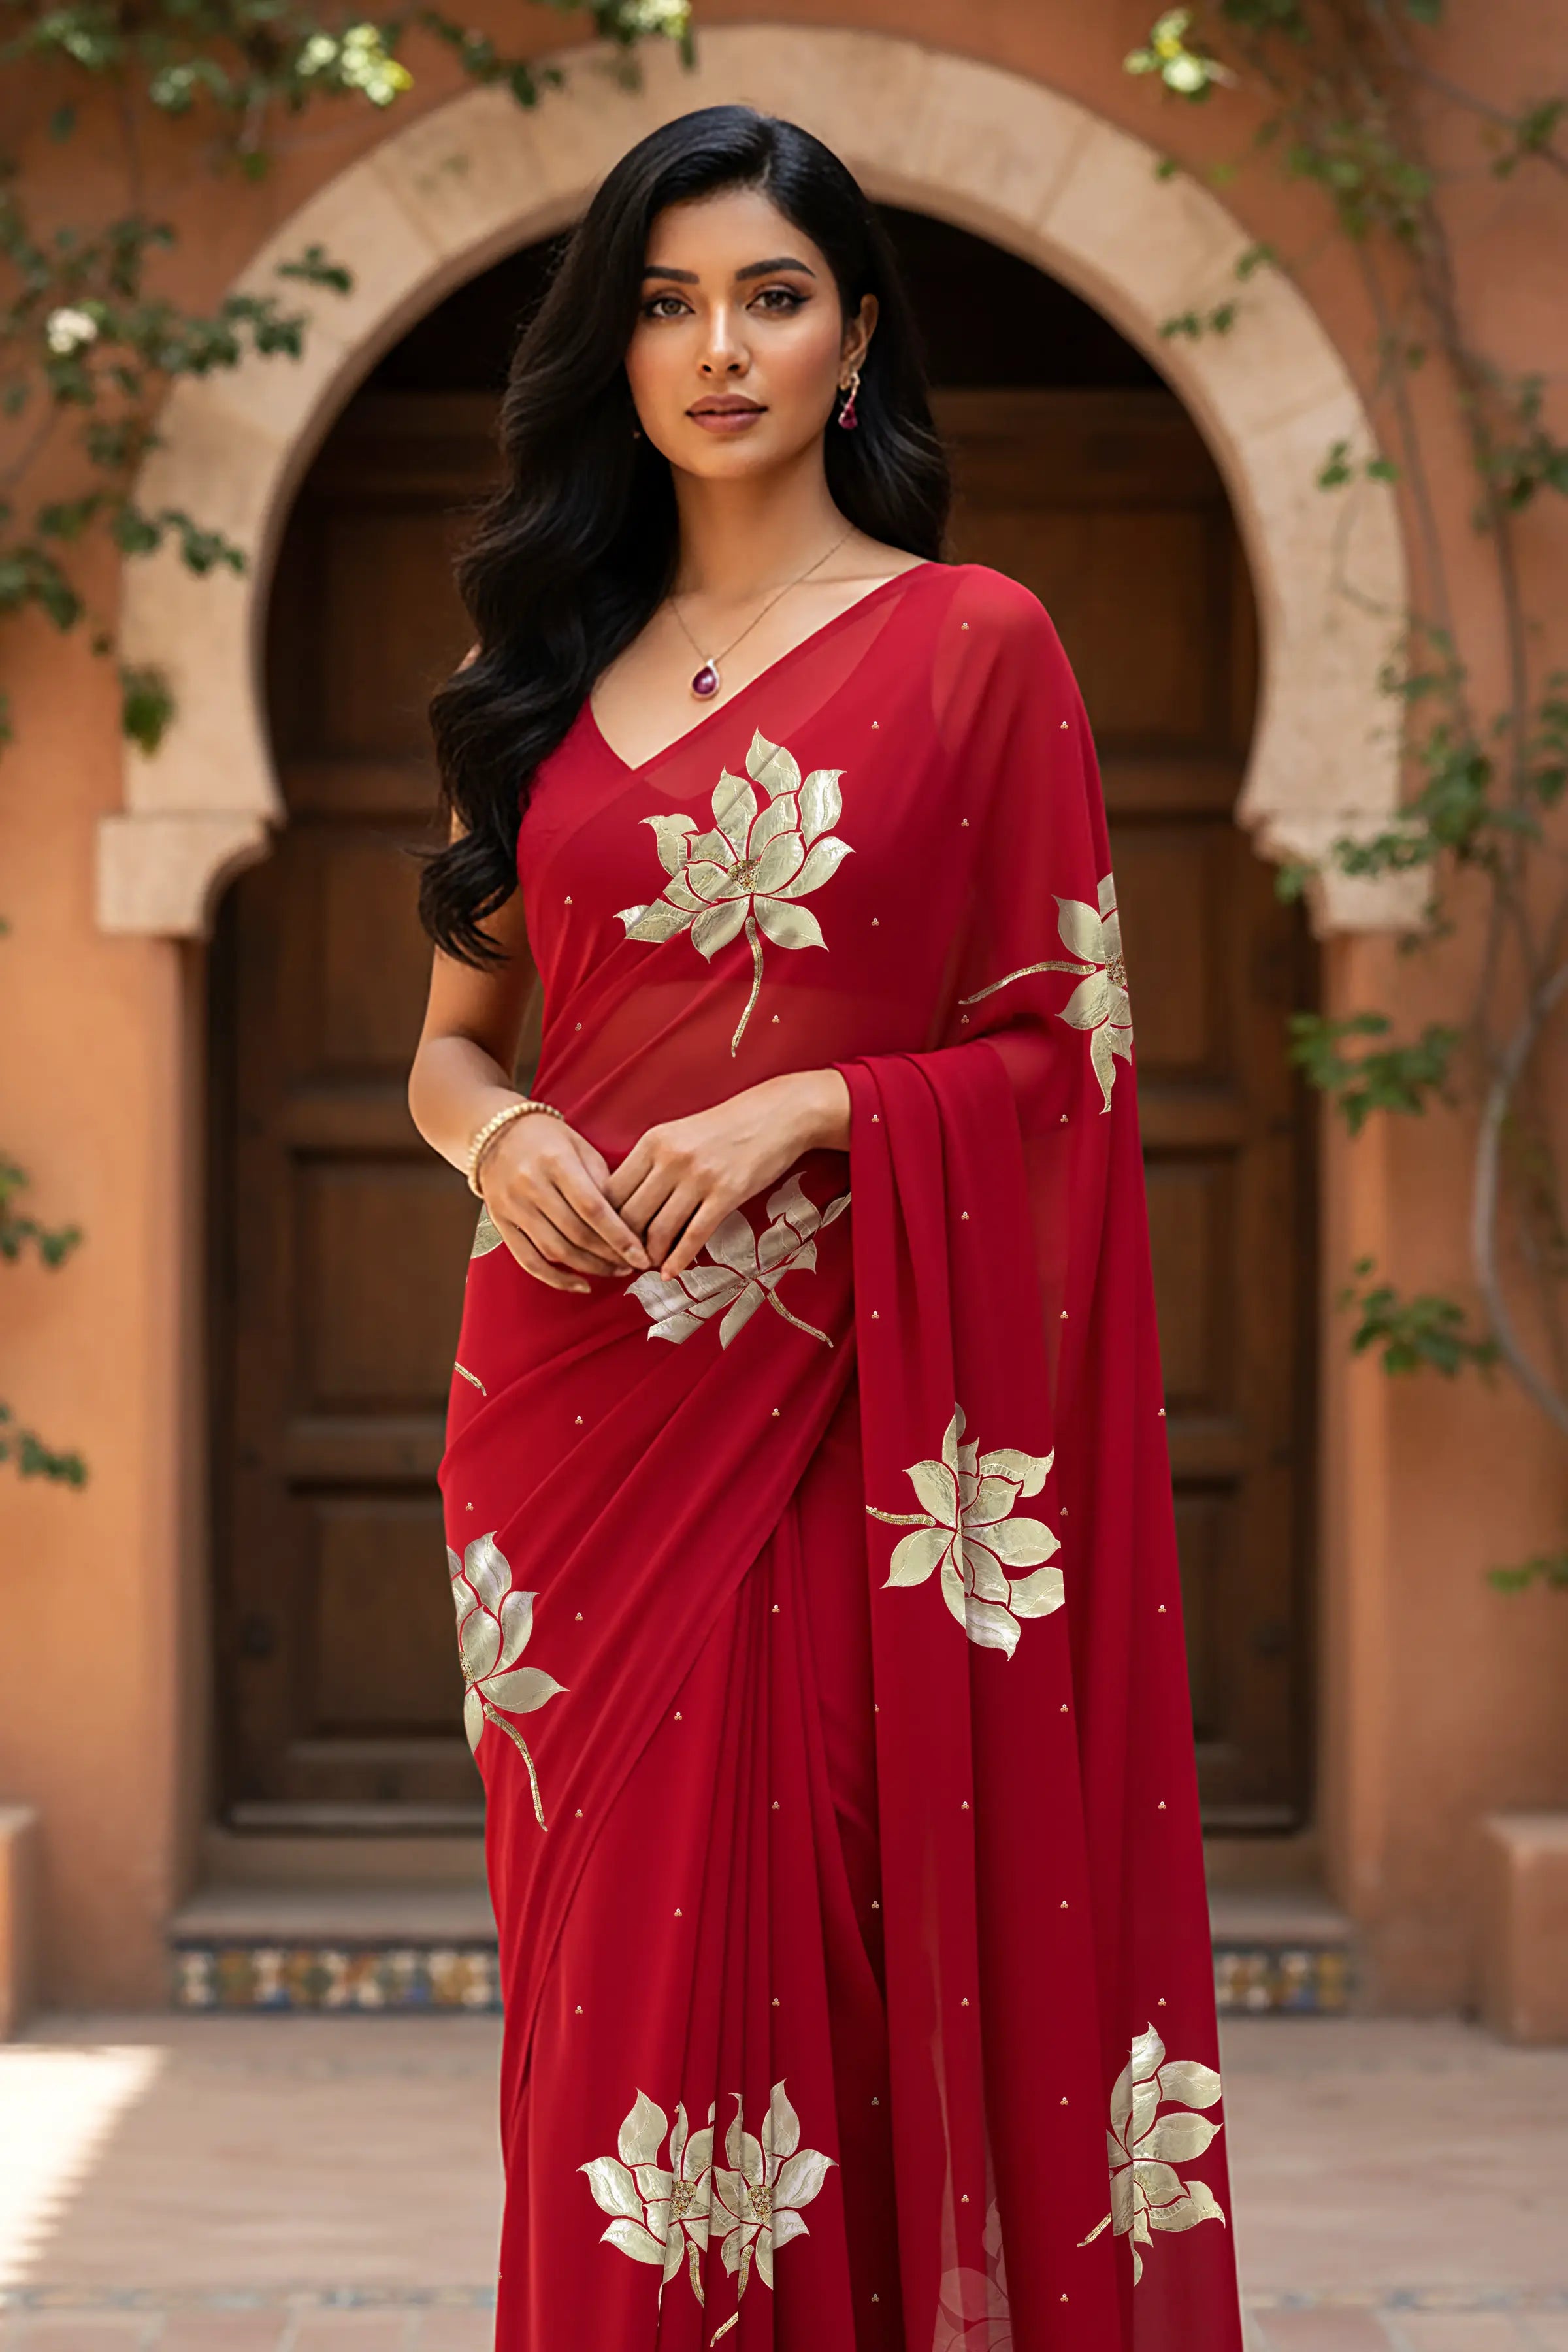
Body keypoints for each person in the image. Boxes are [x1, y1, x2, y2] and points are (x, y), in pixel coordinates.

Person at [408, 101, 1243, 2352]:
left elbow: (1065, 1056)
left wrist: (814, 1106)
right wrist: (500, 1144)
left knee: (838, 1982)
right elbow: (450, 1052)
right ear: (615, 350)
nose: (718, 349)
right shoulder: (540, 672)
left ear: (855, 338)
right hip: (573, 1436)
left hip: (848, 1435)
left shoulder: (976, 647)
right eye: (667, 304)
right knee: (606, 2028)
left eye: (770, 299)